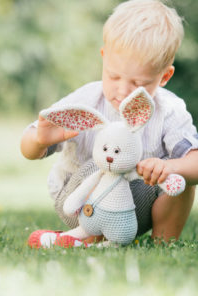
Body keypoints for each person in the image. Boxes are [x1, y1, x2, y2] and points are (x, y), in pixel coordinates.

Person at [21, 0, 198, 248]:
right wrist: (39, 140)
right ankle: (89, 235)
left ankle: (163, 244)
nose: (123, 90)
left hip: (137, 203)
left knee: (180, 178)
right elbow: (28, 149)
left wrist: (170, 168)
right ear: (104, 58)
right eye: (113, 76)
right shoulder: (87, 100)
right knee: (104, 161)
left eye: (138, 84)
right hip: (80, 201)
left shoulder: (169, 110)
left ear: (164, 76)